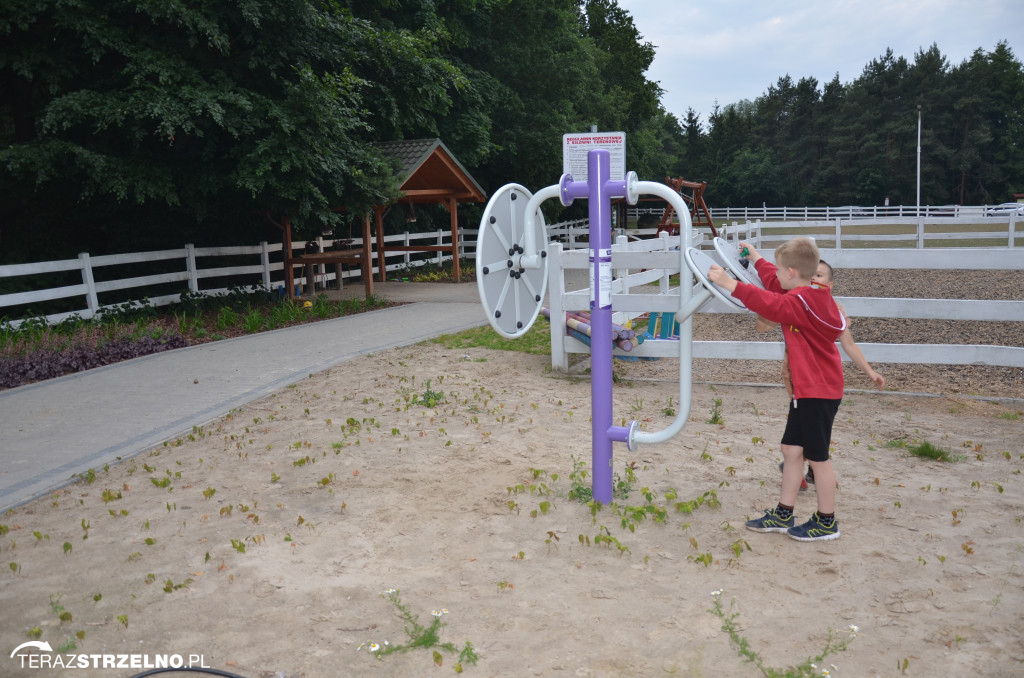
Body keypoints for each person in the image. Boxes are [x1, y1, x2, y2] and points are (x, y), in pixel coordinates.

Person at [708, 237, 846, 541]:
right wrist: (756, 257)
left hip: (818, 390)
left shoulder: (802, 302)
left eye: (783, 270)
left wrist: (730, 283)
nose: (777, 276)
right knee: (791, 449)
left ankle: (827, 521)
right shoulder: (806, 291)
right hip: (806, 389)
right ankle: (784, 513)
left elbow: (771, 302)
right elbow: (773, 279)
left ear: (793, 273)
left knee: (818, 458)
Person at [755, 259, 886, 489]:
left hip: (820, 383)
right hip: (797, 377)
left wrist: (870, 371)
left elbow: (849, 345)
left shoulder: (833, 311)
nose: (815, 278)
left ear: (830, 284)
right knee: (799, 435)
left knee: (811, 433)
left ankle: (813, 470)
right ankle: (806, 470)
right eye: (811, 275)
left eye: (820, 275)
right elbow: (762, 325)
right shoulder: (795, 300)